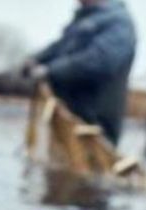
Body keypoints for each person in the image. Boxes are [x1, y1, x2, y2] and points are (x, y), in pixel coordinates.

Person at [24, 1, 137, 146]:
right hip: (67, 117)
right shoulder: (82, 20)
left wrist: (50, 71)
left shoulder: (119, 22)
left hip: (94, 123)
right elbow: (60, 47)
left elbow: (100, 60)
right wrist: (36, 59)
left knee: (90, 167)